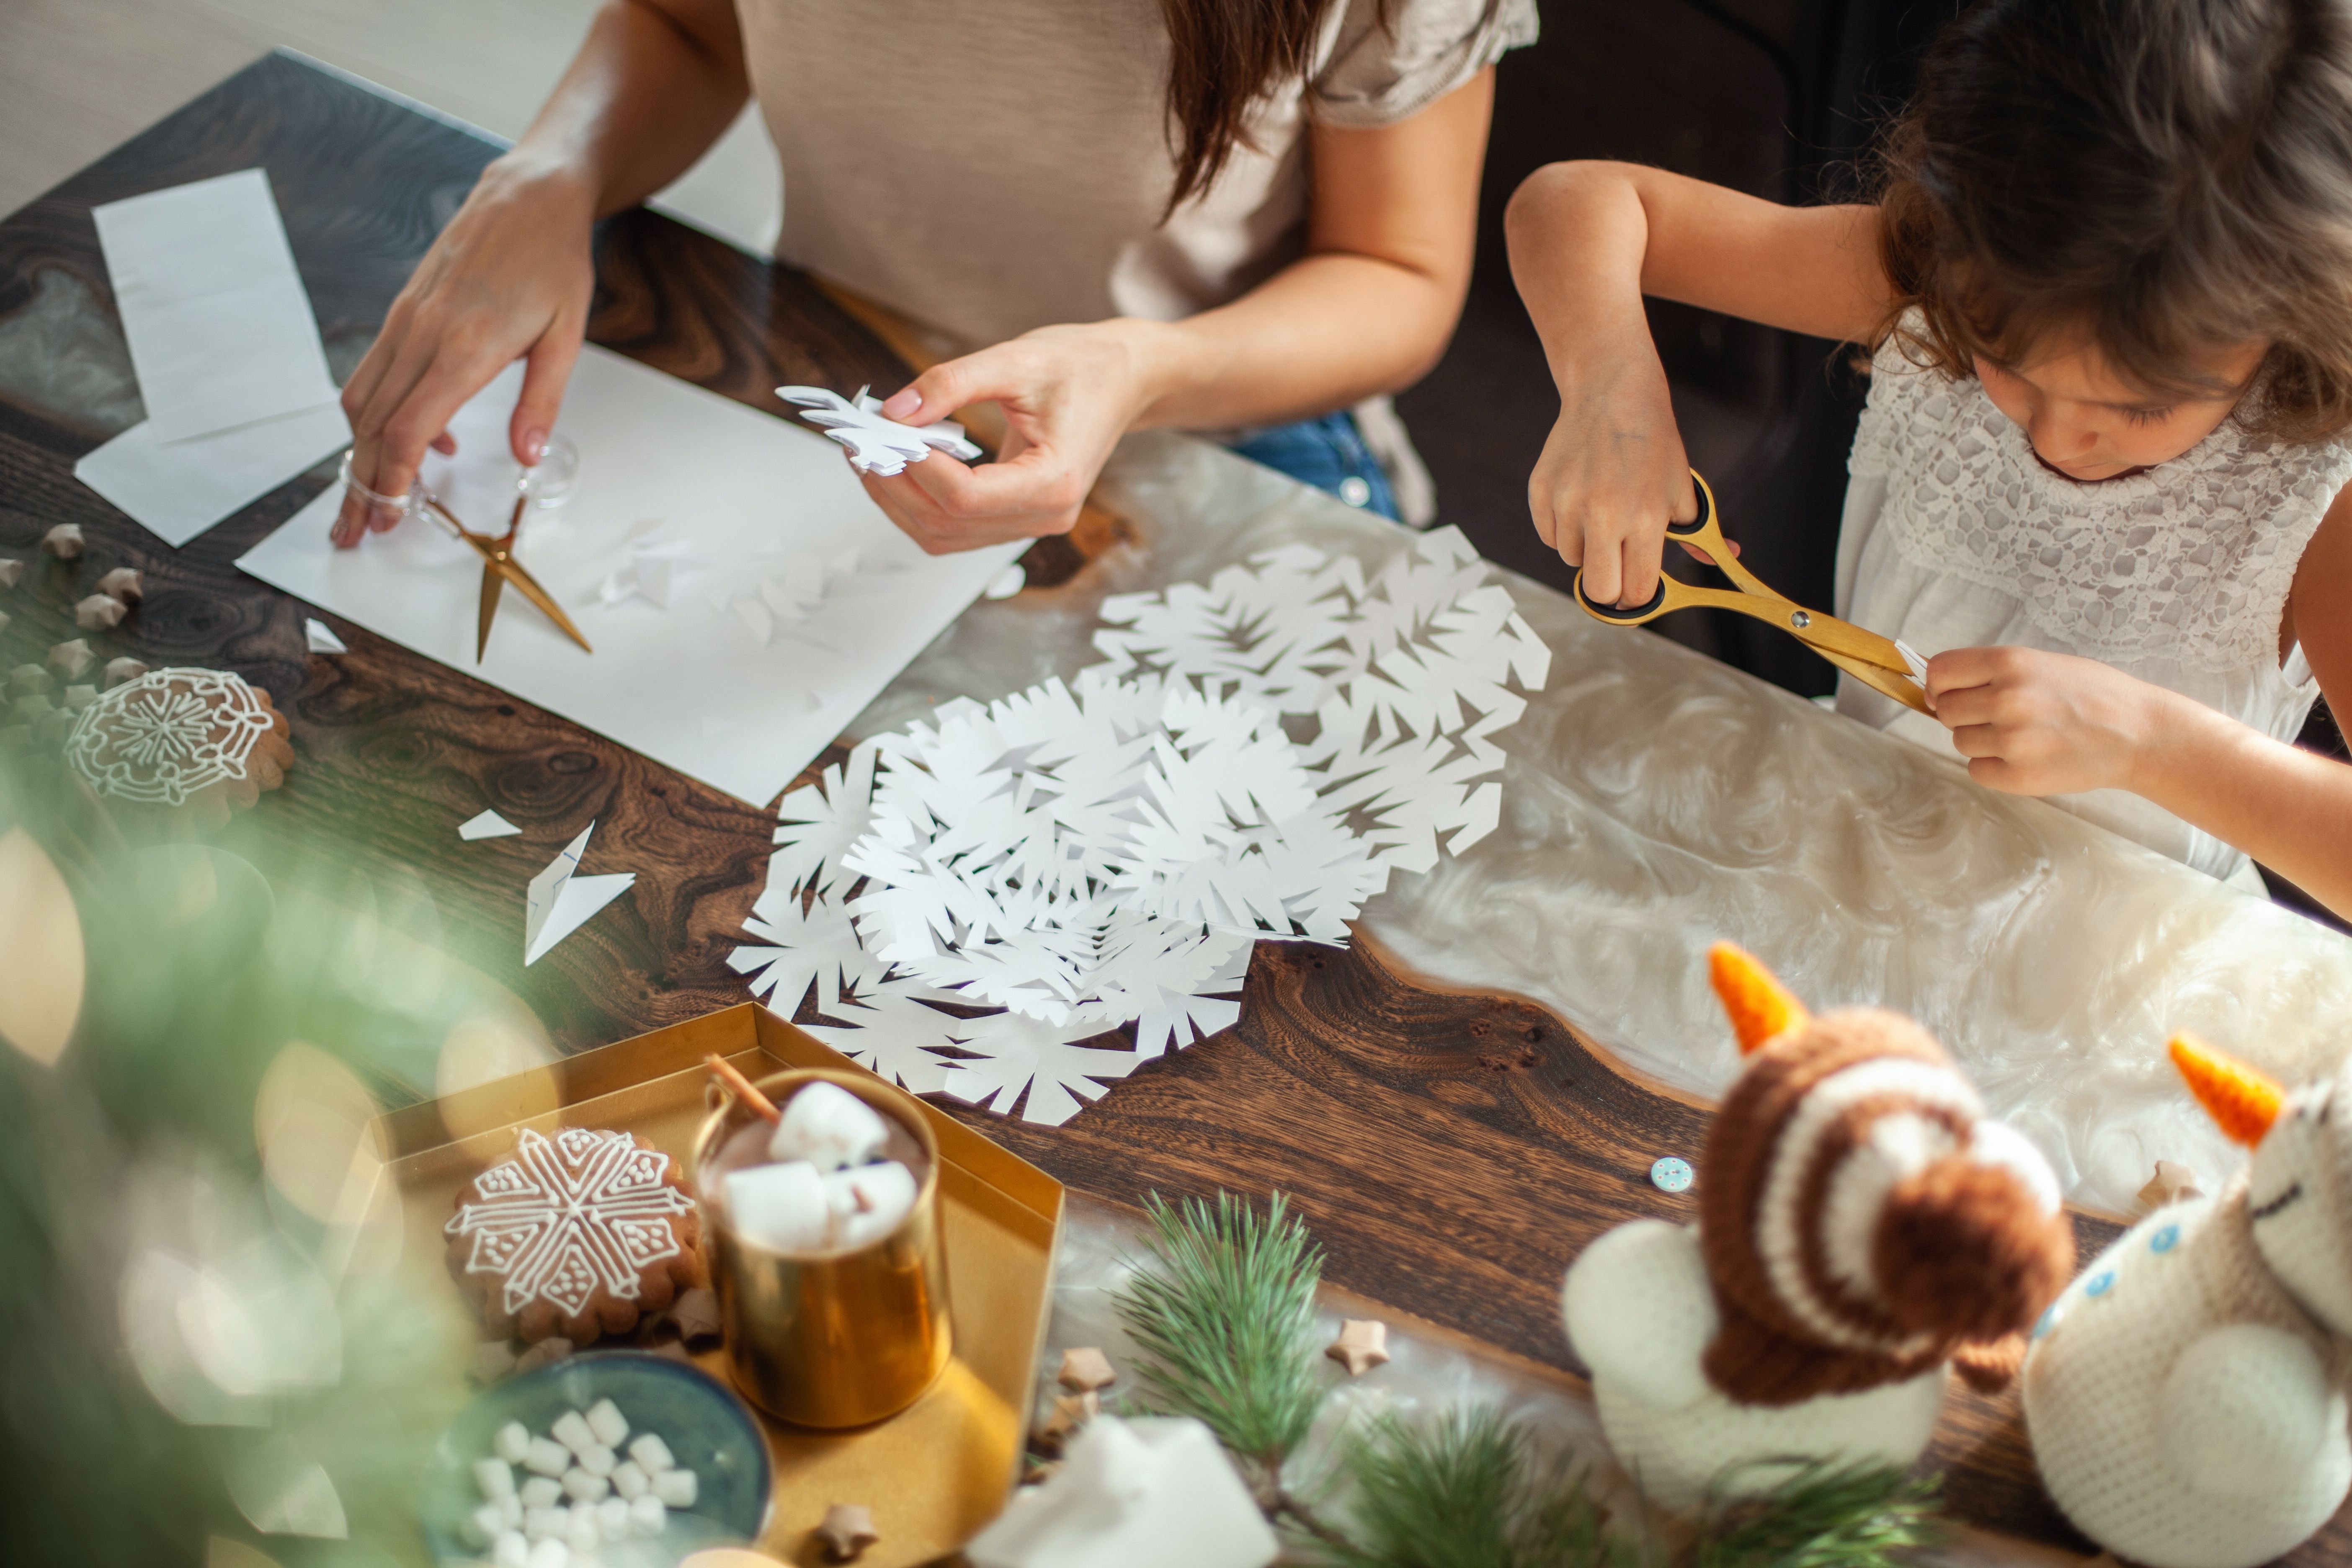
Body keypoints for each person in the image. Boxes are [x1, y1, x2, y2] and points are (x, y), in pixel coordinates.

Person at [1506, 0, 2352, 916]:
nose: (2058, 437)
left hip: (2108, 983)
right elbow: (1577, 203)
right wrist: (1611, 392)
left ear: (2285, 322)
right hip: (1836, 869)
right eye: (2008, 366)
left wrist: (2149, 744)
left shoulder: (2316, 499)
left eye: (2139, 407)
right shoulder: (1927, 283)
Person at [332, 0, 1535, 554]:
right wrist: (548, 176)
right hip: (845, 343)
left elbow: (1397, 271)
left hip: (1220, 408)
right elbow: (693, 26)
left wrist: (1136, 366)